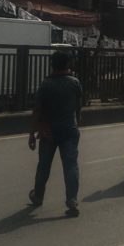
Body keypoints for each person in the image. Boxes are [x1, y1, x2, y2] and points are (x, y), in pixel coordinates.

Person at [28, 50, 83, 216]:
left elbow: (37, 110)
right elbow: (78, 108)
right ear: (68, 64)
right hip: (69, 130)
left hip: (48, 132)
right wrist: (77, 124)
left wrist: (32, 133)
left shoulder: (46, 84)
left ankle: (38, 196)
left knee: (43, 166)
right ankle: (72, 200)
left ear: (53, 65)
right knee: (71, 165)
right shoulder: (75, 83)